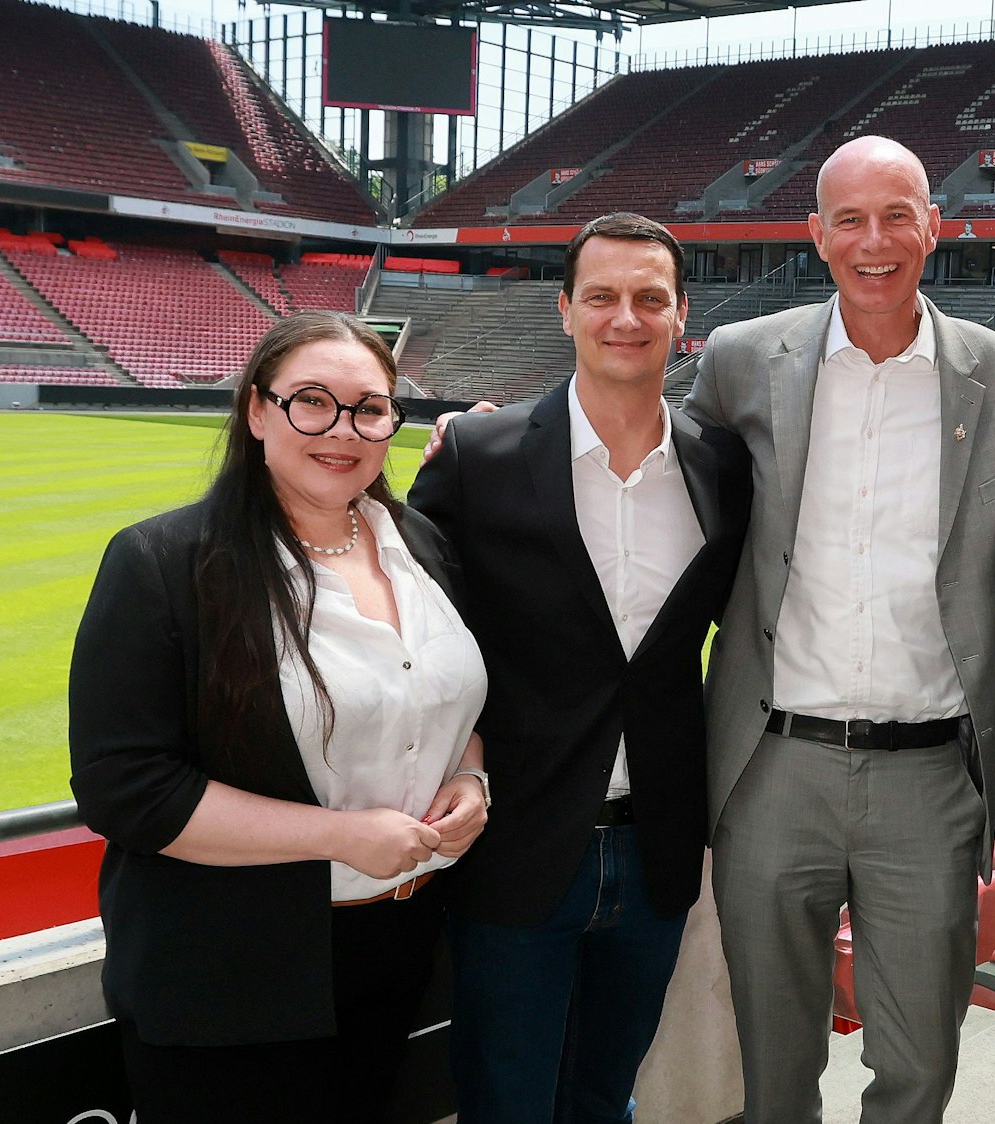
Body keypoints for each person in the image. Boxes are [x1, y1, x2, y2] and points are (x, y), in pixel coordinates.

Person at [683, 135, 995, 1122]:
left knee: (919, 1064)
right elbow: (663, 482)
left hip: (930, 773)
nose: (874, 240)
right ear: (815, 235)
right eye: (850, 218)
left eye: (898, 214)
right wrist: (502, 432)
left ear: (934, 225)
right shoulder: (741, 360)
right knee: (771, 1062)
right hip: (773, 764)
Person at [69, 311, 489, 1124]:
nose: (343, 430)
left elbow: (450, 702)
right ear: (257, 412)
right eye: (311, 401)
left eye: (369, 408)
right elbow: (126, 790)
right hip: (228, 973)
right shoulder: (163, 563)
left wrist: (470, 776)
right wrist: (338, 835)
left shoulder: (423, 545)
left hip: (395, 952)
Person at [408, 212, 751, 1124]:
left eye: (649, 299)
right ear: (564, 311)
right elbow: (411, 624)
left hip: (658, 852)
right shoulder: (476, 456)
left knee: (603, 1099)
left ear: (685, 318)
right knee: (505, 1103)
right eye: (601, 297)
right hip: (518, 846)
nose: (624, 318)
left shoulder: (725, 469)